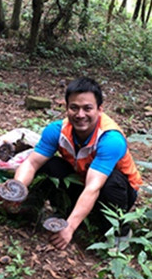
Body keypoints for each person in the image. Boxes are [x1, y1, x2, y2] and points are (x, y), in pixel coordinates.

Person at [12, 77, 142, 250]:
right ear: (66, 108)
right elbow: (31, 163)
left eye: (87, 108)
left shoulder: (111, 139)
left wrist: (70, 228)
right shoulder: (56, 131)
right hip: (82, 179)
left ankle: (119, 231)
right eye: (74, 108)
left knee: (111, 181)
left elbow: (93, 187)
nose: (80, 115)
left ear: (100, 110)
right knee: (50, 164)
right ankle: (51, 209)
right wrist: (15, 190)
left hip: (117, 191)